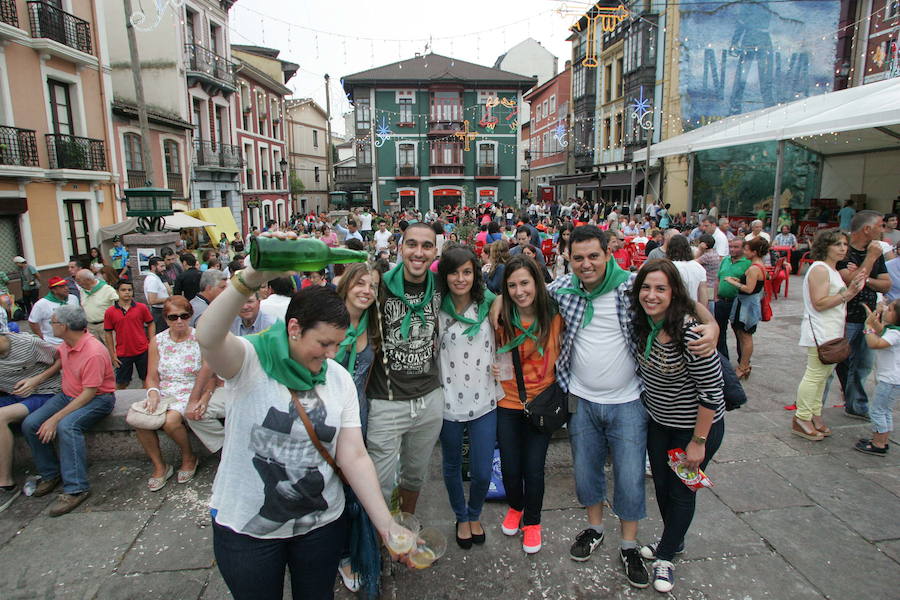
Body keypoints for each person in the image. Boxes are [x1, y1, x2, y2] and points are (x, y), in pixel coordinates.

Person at [195, 256, 410, 599]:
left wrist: (387, 525)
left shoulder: (337, 378)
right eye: (323, 343)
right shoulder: (250, 360)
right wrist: (249, 279)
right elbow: (207, 336)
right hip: (248, 528)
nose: (331, 354)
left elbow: (353, 455)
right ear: (294, 328)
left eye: (338, 344)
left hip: (321, 526)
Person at [538, 225, 717, 589]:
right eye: (578, 258)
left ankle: (629, 543)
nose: (586, 264)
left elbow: (679, 298)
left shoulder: (631, 286)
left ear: (607, 253)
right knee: (586, 471)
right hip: (582, 400)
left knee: (631, 475)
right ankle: (594, 528)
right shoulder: (563, 289)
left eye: (593, 256)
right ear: (568, 259)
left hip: (629, 401)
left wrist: (711, 324)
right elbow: (521, 295)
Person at [629, 260, 726, 593]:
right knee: (661, 487)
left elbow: (712, 390)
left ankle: (666, 556)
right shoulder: (641, 322)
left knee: (681, 491)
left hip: (694, 428)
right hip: (659, 422)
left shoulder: (690, 331)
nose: (651, 295)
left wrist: (698, 441)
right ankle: (674, 540)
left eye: (661, 289)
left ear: (674, 293)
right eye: (646, 287)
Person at [366, 223, 443, 515]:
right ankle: (379, 538)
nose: (418, 252)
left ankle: (406, 524)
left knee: (415, 474)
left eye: (426, 246)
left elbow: (477, 295)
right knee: (380, 480)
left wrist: (495, 302)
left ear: (435, 250)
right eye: (412, 244)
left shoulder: (441, 283)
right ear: (401, 247)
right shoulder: (379, 284)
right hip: (386, 401)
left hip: (429, 398)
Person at [494, 255, 563, 555]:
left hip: (542, 402)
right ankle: (516, 506)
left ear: (537, 282)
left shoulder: (556, 314)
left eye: (525, 283)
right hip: (508, 401)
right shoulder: (499, 316)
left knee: (534, 468)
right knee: (510, 466)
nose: (519, 291)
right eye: (511, 285)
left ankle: (533, 522)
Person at [22, 305, 116, 517]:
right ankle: (50, 473)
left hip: (98, 399)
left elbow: (89, 393)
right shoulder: (68, 343)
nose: (50, 326)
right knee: (30, 424)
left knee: (67, 426)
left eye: (53, 322)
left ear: (64, 326)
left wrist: (55, 418)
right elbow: (60, 362)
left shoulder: (93, 352)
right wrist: (36, 380)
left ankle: (76, 488)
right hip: (68, 394)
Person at [436, 247, 500, 550]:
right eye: (453, 272)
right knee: (450, 465)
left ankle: (475, 514)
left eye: (466, 272)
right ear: (444, 275)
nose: (460, 279)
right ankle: (461, 517)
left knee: (483, 468)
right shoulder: (437, 308)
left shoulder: (489, 304)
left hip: (485, 400)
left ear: (475, 274)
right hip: (447, 402)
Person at [792, 230, 864, 441]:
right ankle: (802, 416)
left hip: (831, 329)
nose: (843, 248)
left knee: (822, 376)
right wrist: (847, 294)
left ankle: (813, 414)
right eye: (837, 244)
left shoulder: (831, 270)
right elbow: (820, 302)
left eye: (844, 244)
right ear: (826, 247)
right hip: (820, 330)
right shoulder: (820, 269)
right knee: (815, 375)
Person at [133, 296, 201, 491]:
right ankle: (160, 466)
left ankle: (188, 456)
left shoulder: (199, 338)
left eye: (184, 316)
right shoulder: (158, 341)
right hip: (164, 390)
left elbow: (208, 373)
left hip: (190, 389)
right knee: (142, 421)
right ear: (165, 318)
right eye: (173, 317)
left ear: (190, 316)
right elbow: (151, 375)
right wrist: (153, 393)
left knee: (170, 421)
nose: (179, 321)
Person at [835, 210, 891, 419]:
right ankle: (812, 412)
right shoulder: (844, 250)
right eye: (880, 225)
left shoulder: (875, 253)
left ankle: (856, 405)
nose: (883, 230)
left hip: (868, 318)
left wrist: (863, 276)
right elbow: (851, 282)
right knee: (833, 361)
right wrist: (870, 259)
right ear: (867, 229)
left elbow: (886, 285)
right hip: (845, 317)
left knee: (863, 365)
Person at [0, 331, 62, 512]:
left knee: (2, 417)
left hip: (43, 392)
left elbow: (62, 358)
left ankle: (5, 483)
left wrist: (37, 379)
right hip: (11, 395)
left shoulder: (28, 343)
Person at [857, 300, 900, 456]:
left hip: (890, 380)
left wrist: (868, 328)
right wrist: (874, 316)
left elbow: (875, 343)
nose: (887, 310)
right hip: (892, 380)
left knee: (877, 411)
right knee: (885, 410)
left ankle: (878, 444)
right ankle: (883, 439)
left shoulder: (895, 334)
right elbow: (881, 330)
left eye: (890, 309)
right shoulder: (894, 330)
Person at [723, 237, 769, 379]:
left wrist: (732, 281)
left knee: (745, 336)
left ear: (754, 252)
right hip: (748, 303)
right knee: (743, 335)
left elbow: (749, 289)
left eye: (747, 249)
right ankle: (744, 365)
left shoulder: (754, 268)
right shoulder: (759, 266)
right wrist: (739, 280)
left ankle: (743, 366)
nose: (744, 251)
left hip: (746, 305)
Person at [104, 279, 154, 390]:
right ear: (117, 292)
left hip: (142, 350)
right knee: (121, 383)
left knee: (146, 379)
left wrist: (151, 342)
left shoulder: (141, 307)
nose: (127, 292)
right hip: (123, 352)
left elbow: (151, 324)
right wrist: (112, 353)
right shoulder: (110, 312)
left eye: (130, 290)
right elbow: (108, 333)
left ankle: (146, 402)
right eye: (123, 290)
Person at [715, 238, 751, 361]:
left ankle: (743, 361)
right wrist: (715, 296)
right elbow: (718, 278)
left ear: (743, 248)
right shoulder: (725, 260)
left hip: (737, 302)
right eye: (731, 247)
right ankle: (723, 361)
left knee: (740, 334)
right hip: (721, 301)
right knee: (719, 332)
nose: (732, 249)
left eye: (736, 247)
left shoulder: (748, 263)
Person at [28, 277, 79, 345]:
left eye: (66, 285)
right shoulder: (41, 304)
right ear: (54, 290)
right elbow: (33, 322)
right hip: (53, 343)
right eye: (62, 287)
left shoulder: (73, 298)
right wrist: (41, 339)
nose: (66, 288)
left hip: (74, 340)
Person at [75, 269, 119, 342]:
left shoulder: (107, 289)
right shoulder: (82, 291)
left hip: (105, 326)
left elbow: (121, 302)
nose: (77, 283)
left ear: (88, 280)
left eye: (79, 280)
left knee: (112, 350)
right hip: (90, 328)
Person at [667, 235, 708, 305]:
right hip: (691, 309)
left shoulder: (668, 266)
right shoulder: (699, 267)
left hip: (672, 308)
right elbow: (703, 295)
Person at [144, 256, 171, 333]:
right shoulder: (152, 280)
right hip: (158, 313)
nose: (164, 268)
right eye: (161, 266)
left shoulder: (156, 278)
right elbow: (152, 300)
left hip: (161, 311)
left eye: (164, 266)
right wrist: (169, 299)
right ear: (153, 267)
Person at [696, 234, 721, 305]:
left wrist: (700, 250)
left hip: (707, 285)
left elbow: (692, 263)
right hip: (713, 284)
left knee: (707, 306)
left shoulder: (707, 256)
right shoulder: (715, 252)